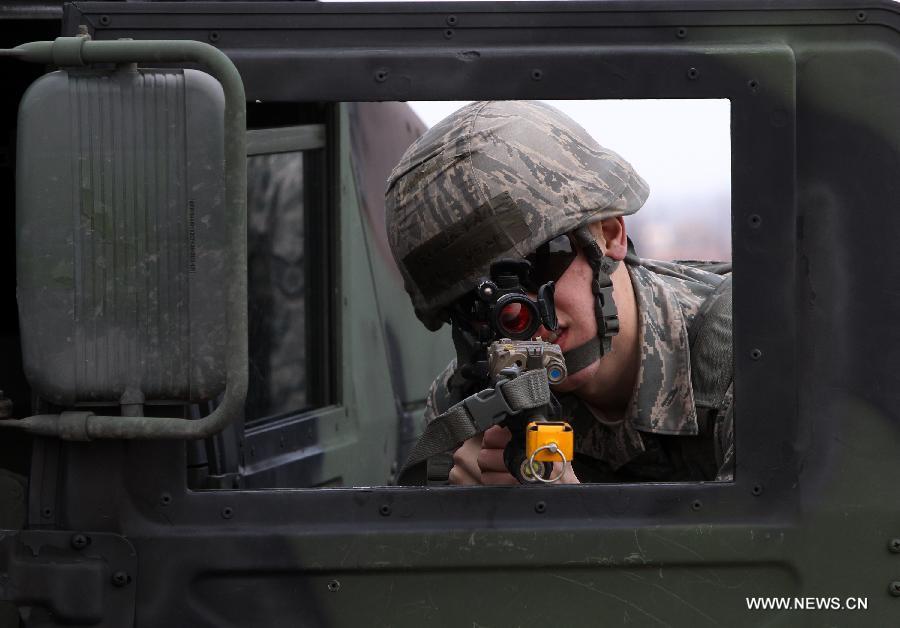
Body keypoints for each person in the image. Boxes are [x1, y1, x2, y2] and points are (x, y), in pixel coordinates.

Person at [385, 101, 733, 486]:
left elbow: (764, 547)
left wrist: (565, 522)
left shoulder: (749, 360)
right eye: (476, 303)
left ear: (610, 234)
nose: (516, 315)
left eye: (538, 266)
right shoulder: (470, 404)